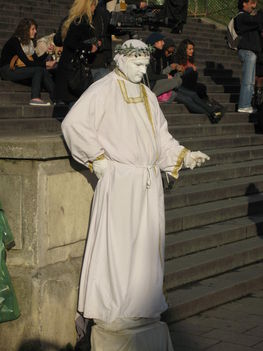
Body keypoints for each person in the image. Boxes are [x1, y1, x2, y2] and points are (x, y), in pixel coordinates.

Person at [62, 39, 209, 350]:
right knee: (118, 246)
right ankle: (113, 307)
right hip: (119, 181)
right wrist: (97, 159)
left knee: (144, 246)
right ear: (121, 60)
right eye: (138, 64)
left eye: (145, 65)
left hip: (146, 183)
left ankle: (139, 305)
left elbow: (161, 136)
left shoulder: (146, 94)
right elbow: (74, 123)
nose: (143, 70)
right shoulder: (103, 89)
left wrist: (183, 156)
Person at [54, 0, 110, 106]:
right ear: (89, 6)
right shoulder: (81, 21)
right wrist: (90, 47)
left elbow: (72, 39)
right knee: (76, 104)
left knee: (76, 103)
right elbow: (71, 42)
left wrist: (92, 42)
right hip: (73, 69)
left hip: (69, 67)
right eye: (94, 6)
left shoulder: (74, 20)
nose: (95, 9)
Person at [0, 18, 56, 106]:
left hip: (19, 69)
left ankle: (57, 98)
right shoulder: (15, 41)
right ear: (25, 29)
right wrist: (45, 64)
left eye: (35, 29)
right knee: (38, 70)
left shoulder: (29, 44)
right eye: (33, 29)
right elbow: (27, 62)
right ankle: (35, 98)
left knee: (42, 70)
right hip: (8, 70)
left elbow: (36, 61)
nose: (35, 31)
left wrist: (47, 53)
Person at [172, 38, 224, 122]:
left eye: (192, 49)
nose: (192, 51)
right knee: (191, 95)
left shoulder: (189, 60)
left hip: (188, 85)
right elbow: (177, 74)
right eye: (190, 49)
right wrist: (189, 69)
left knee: (201, 88)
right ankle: (212, 112)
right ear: (184, 49)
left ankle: (212, 110)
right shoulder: (177, 59)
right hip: (179, 84)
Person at [235, 0, 263, 113]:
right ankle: (244, 104)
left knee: (250, 81)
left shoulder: (249, 18)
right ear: (244, 3)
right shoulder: (241, 17)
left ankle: (247, 104)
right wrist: (261, 12)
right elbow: (257, 20)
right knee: (247, 81)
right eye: (251, 2)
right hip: (247, 52)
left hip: (251, 52)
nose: (254, 5)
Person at [145, 32, 182, 102]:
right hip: (149, 85)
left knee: (177, 81)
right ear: (155, 43)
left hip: (154, 82)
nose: (163, 43)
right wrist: (165, 76)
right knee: (174, 82)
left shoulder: (156, 55)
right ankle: (151, 96)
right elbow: (149, 76)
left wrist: (170, 68)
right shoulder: (148, 56)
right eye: (161, 41)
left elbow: (158, 72)